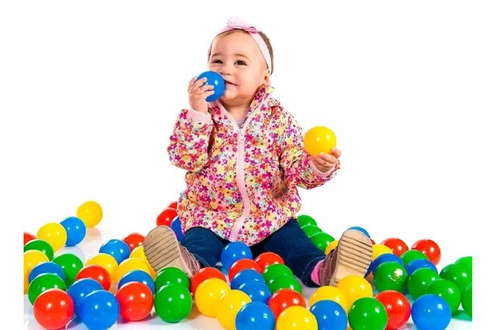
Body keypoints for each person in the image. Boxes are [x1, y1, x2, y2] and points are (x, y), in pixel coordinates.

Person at [144, 17, 372, 288]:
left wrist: (317, 167)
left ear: (265, 77)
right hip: (211, 215)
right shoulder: (202, 116)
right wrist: (197, 112)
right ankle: (186, 266)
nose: (226, 69)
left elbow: (296, 166)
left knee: (295, 244)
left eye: (240, 62)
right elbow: (184, 158)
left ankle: (324, 270)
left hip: (269, 218)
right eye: (217, 61)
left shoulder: (278, 119)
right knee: (199, 242)